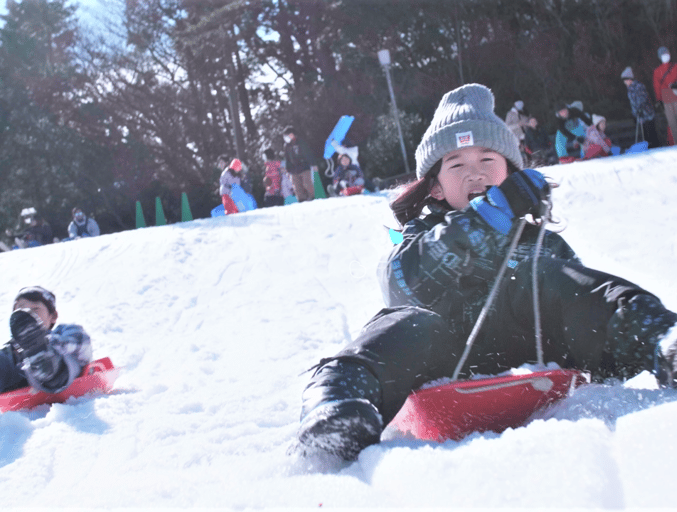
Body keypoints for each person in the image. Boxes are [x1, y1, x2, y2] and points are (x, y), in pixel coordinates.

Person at [289, 83, 677, 462]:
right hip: (443, 356)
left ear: (510, 173)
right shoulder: (420, 238)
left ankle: (661, 338)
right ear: (436, 189)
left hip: (532, 349)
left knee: (558, 279)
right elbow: (400, 282)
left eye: (487, 161)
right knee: (406, 321)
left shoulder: (541, 243)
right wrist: (481, 221)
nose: (474, 174)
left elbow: (578, 307)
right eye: (457, 164)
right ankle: (337, 399)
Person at [621, 66, 661, 149]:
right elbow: (632, 102)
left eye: (625, 80)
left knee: (650, 130)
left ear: (629, 79)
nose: (624, 82)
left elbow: (642, 98)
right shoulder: (629, 88)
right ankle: (648, 146)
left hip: (646, 113)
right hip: (639, 114)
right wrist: (634, 113)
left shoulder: (638, 86)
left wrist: (639, 109)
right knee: (645, 132)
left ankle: (655, 146)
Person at [282, 126, 319, 202]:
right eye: (287, 135)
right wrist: (288, 168)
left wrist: (313, 164)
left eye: (289, 134)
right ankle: (301, 199)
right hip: (294, 168)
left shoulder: (301, 142)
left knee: (307, 183)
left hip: (304, 166)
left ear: (293, 134)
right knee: (296, 186)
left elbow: (308, 153)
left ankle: (312, 197)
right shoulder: (287, 146)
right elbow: (287, 158)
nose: (288, 137)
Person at [652, 46, 677, 146]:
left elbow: (657, 87)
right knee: (672, 123)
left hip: (666, 98)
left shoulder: (657, 71)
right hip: (671, 96)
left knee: (672, 123)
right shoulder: (675, 66)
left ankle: (675, 143)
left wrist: (659, 100)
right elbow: (656, 86)